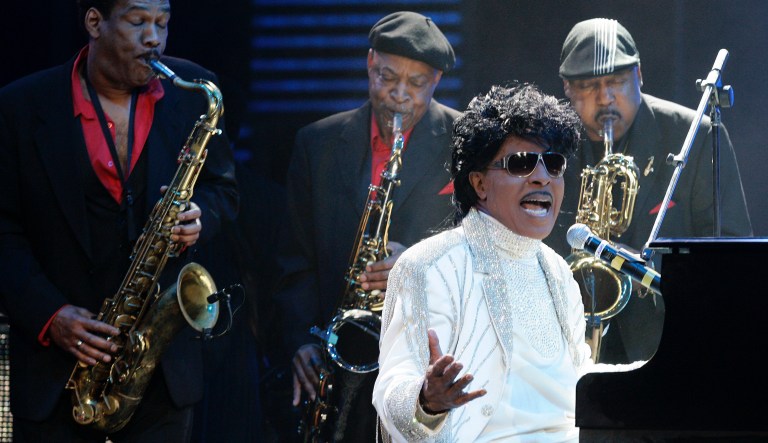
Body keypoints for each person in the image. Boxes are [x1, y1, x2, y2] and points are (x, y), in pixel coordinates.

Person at [0, 0, 238, 441]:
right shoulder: (18, 106)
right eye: (138, 22)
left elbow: (224, 191)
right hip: (58, 374)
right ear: (95, 22)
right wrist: (50, 314)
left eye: (163, 23)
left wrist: (201, 216)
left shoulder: (195, 92)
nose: (155, 38)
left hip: (161, 374)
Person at [273, 10, 460, 442]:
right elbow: (293, 259)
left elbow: (485, 243)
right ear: (369, 63)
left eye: (416, 84)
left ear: (435, 81)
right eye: (386, 77)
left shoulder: (466, 140)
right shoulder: (315, 143)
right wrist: (301, 341)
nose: (398, 95)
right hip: (335, 363)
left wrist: (414, 264)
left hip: (428, 360)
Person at [373, 83, 591, 442]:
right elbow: (394, 387)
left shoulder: (557, 270)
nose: (542, 177)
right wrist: (428, 402)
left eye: (553, 164)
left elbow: (581, 379)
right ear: (479, 183)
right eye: (521, 164)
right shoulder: (429, 265)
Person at [548, 17, 753, 364]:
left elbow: (730, 256)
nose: (605, 98)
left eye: (616, 81)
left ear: (639, 76)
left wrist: (639, 265)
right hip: (566, 344)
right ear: (567, 88)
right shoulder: (549, 142)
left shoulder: (694, 135)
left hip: (667, 341)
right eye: (588, 86)